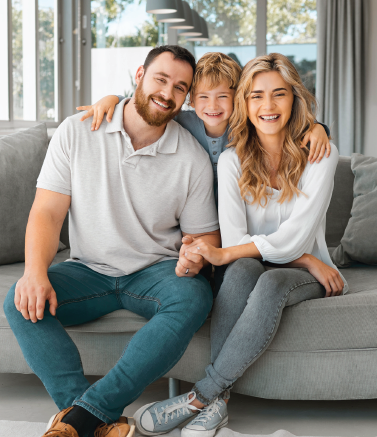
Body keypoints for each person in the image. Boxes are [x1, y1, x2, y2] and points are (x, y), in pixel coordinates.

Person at [3, 45, 220, 437]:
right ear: (139, 75)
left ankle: (79, 420)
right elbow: (47, 213)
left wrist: (195, 254)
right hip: (88, 269)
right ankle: (91, 417)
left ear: (185, 98)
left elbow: (204, 236)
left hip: (155, 272)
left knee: (195, 296)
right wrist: (35, 273)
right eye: (160, 79)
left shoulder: (191, 157)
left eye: (179, 87)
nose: (167, 93)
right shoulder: (77, 130)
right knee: (20, 300)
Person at [128, 53, 349, 437]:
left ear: (294, 100)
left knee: (271, 280)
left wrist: (285, 256)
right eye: (257, 96)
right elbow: (233, 239)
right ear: (245, 104)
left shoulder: (320, 155)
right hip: (296, 262)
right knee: (245, 268)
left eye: (279, 94)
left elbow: (287, 238)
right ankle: (218, 407)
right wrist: (305, 258)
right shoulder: (232, 160)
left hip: (302, 274)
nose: (268, 106)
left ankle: (202, 397)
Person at [78, 52, 332, 296]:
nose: (212, 106)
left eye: (223, 96)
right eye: (203, 97)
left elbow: (279, 120)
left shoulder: (245, 127)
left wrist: (318, 127)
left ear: (237, 99)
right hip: (196, 224)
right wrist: (112, 99)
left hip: (235, 231)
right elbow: (147, 108)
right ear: (190, 100)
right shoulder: (182, 122)